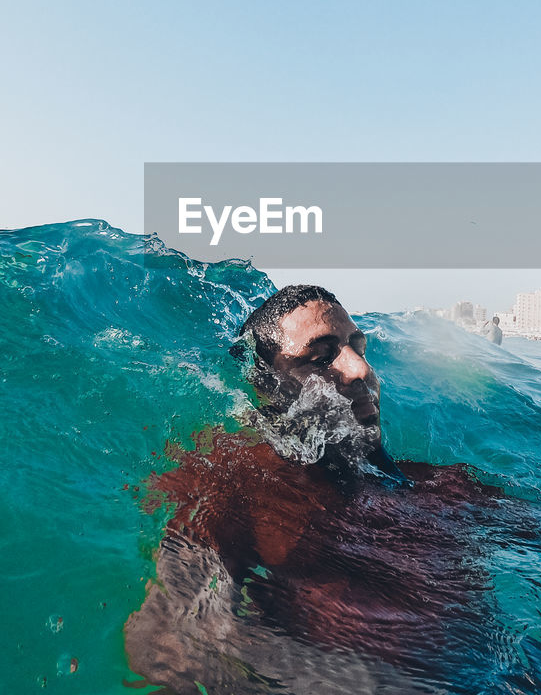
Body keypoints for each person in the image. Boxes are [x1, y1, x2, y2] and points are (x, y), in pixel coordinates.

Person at [124, 285, 510, 693]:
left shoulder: (443, 488)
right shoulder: (234, 485)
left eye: (359, 349)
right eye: (321, 358)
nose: (361, 370)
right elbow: (168, 644)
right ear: (266, 385)